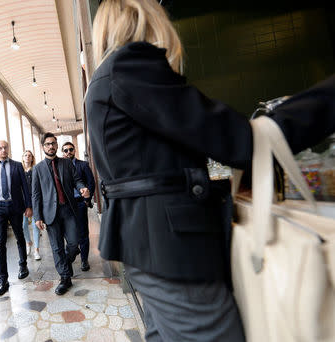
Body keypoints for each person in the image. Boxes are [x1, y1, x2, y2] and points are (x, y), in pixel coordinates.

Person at [86, 1, 335, 341]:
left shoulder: (106, 78)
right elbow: (239, 142)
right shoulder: (131, 65)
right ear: (150, 21)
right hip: (172, 251)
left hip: (147, 246)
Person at [32, 133, 90, 295]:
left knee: (73, 243)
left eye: (53, 143)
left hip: (68, 210)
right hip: (50, 213)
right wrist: (38, 216)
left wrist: (82, 188)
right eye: (48, 144)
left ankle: (65, 262)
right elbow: (35, 194)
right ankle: (65, 278)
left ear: (57, 146)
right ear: (43, 147)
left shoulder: (66, 163)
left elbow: (77, 180)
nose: (51, 146)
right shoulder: (38, 169)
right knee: (56, 247)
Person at [0, 140, 32, 296]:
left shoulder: (17, 166)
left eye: (5, 147)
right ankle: (3, 279)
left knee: (19, 236)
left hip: (15, 206)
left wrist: (28, 206)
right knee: (0, 242)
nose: (3, 149)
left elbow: (25, 187)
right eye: (0, 148)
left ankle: (23, 265)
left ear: (8, 148)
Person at [62, 142, 95, 271]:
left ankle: (84, 260)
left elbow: (91, 183)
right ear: (62, 153)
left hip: (80, 202)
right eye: (65, 150)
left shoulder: (83, 165)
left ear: (74, 150)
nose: (68, 152)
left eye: (70, 149)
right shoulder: (61, 167)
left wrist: (87, 198)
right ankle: (73, 249)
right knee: (68, 231)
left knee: (83, 233)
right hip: (66, 204)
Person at [21, 150, 41, 260]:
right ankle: (28, 242)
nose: (27, 157)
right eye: (25, 155)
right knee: (23, 225)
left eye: (29, 156)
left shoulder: (35, 170)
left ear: (32, 158)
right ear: (23, 158)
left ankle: (36, 250)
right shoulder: (20, 170)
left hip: (35, 200)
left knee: (35, 225)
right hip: (23, 202)